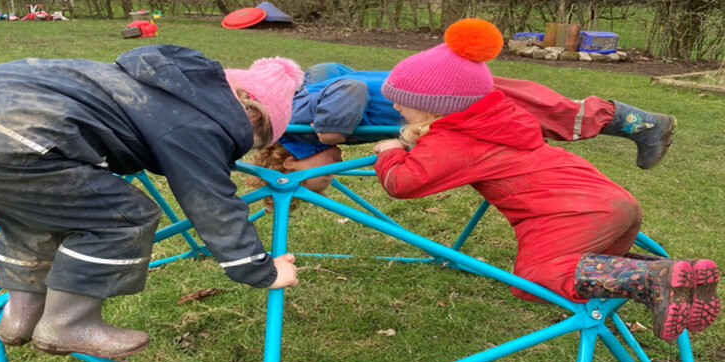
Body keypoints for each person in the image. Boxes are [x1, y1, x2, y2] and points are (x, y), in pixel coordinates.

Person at [0, 45, 303, 358]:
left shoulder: (164, 85)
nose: (236, 149)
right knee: (124, 218)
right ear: (253, 116)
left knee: (32, 217)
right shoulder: (202, 119)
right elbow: (211, 201)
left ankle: (20, 316)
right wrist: (261, 270)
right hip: (13, 136)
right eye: (252, 142)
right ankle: (67, 323)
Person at [370, 18, 719, 342]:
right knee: (592, 268)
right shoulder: (501, 115)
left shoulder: (458, 140)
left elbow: (405, 183)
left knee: (539, 279)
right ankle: (673, 277)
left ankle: (651, 279)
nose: (396, 107)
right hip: (611, 200)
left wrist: (389, 151)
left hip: (568, 214)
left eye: (402, 101)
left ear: (434, 107)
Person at [248, 59, 677, 196]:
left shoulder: (295, 118)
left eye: (288, 171)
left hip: (444, 96)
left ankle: (643, 123)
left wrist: (330, 132)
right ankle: (636, 124)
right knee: (534, 116)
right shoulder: (290, 125)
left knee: (543, 112)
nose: (294, 177)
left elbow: (349, 85)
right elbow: (331, 69)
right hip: (435, 101)